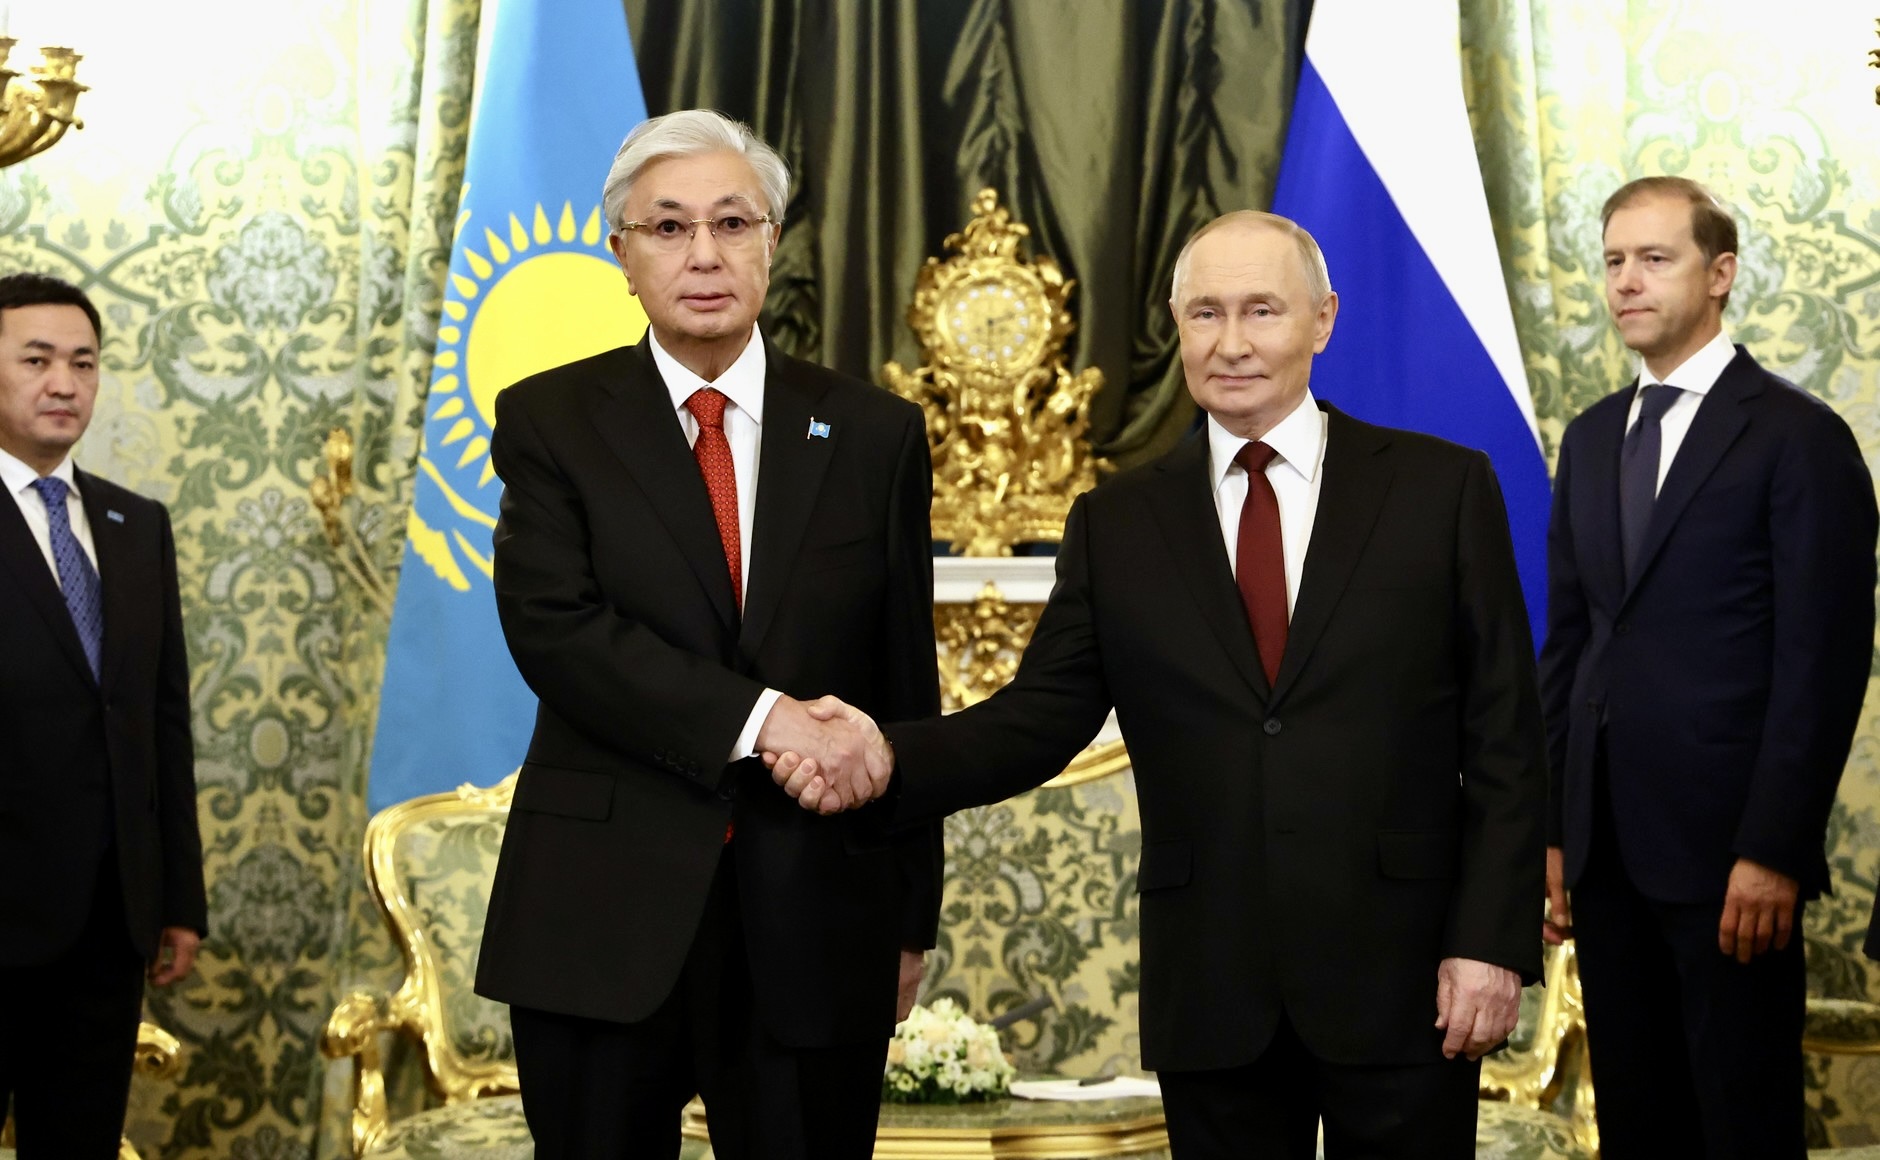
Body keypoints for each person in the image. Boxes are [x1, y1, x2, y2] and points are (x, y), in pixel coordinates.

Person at [771, 210, 1547, 1159]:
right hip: (1214, 987)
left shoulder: (1441, 490)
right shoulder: (1118, 522)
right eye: (1205, 313)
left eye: (1262, 310)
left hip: (1408, 977)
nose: (1231, 342)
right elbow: (1035, 721)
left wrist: (1489, 942)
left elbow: (1506, 739)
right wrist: (884, 752)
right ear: (1177, 327)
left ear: (1323, 320)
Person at [470, 109, 942, 1160]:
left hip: (819, 909)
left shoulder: (873, 432)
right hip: (603, 907)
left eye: (732, 223)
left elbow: (903, 682)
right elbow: (556, 632)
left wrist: (912, 914)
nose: (703, 254)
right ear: (622, 252)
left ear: (772, 241)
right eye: (669, 227)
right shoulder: (551, 419)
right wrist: (766, 719)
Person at [1538, 176, 1876, 1159]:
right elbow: (1568, 647)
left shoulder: (1797, 437)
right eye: (1613, 260)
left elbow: (1820, 663)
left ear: (1719, 273)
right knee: (1637, 1124)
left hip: (1731, 857)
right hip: (1603, 850)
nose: (1626, 281)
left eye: (1655, 258)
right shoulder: (1591, 437)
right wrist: (1555, 830)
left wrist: (1774, 846)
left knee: (1738, 1122)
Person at [0, 273, 207, 1158]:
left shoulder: (135, 523)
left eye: (83, 363)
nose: (64, 383)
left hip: (109, 927)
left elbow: (162, 723)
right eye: (36, 360)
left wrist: (178, 900)